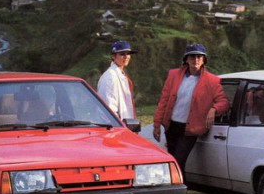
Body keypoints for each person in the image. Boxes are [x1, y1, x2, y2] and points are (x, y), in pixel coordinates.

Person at [152, 43, 229, 182]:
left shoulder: (212, 81)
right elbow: (163, 100)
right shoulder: (173, 74)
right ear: (186, 59)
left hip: (190, 129)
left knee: (178, 161)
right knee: (172, 161)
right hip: (172, 126)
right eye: (192, 56)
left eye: (199, 57)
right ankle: (176, 192)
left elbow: (224, 102)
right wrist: (157, 123)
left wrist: (214, 109)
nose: (196, 60)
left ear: (204, 60)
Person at [96, 40, 137, 120]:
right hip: (116, 127)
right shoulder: (110, 77)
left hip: (124, 125)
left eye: (128, 53)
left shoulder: (120, 74)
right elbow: (108, 109)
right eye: (122, 54)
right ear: (113, 56)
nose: (126, 57)